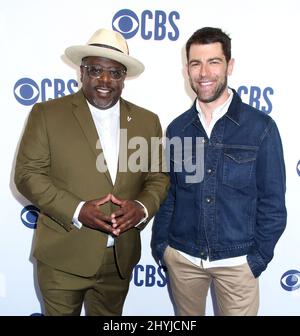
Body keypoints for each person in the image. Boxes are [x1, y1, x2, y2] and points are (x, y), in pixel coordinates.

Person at [14, 28, 169, 316]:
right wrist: (76, 209)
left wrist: (142, 207)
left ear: (124, 78)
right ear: (82, 72)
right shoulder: (47, 114)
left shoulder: (147, 122)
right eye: (96, 70)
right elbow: (27, 174)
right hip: (63, 257)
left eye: (115, 72)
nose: (105, 80)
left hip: (119, 260)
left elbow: (157, 177)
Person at [151, 27, 286, 316]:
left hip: (238, 265)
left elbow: (273, 203)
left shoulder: (260, 127)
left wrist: (257, 259)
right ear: (186, 68)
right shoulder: (178, 128)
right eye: (196, 63)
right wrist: (163, 247)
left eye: (214, 61)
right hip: (183, 259)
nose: (204, 73)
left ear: (230, 65)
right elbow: (170, 194)